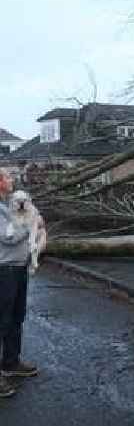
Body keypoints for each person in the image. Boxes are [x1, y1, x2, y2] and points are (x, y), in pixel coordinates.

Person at [0, 168, 38, 398]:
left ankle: (11, 362)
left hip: (17, 269)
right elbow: (9, 237)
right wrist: (30, 223)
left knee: (16, 316)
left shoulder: (8, 205)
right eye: (6, 177)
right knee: (2, 320)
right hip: (4, 271)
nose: (11, 179)